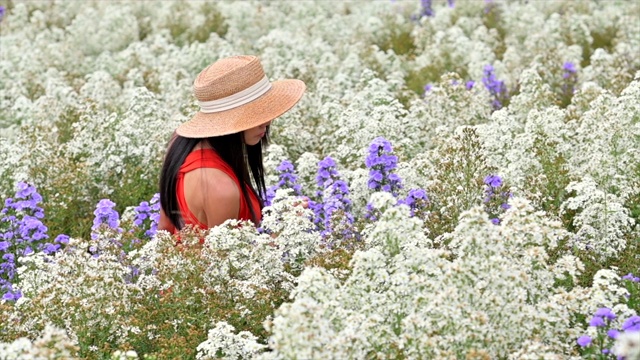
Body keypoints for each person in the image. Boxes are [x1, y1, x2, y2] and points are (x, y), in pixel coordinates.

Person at [158, 55, 306, 235]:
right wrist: (287, 226)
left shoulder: (180, 143)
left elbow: (164, 233)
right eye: (255, 114)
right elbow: (227, 261)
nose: (266, 122)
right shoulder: (221, 188)